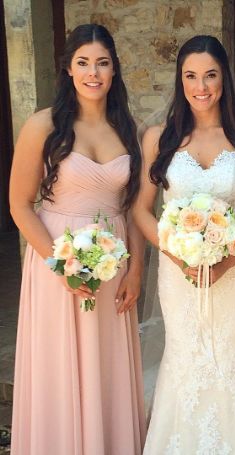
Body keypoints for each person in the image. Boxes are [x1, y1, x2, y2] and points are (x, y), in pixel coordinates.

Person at [133, 35, 235, 454]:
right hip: (178, 274)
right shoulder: (158, 138)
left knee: (230, 358)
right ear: (180, 80)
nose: (201, 86)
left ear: (224, 79)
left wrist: (229, 259)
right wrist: (175, 253)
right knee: (184, 359)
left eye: (210, 75)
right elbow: (142, 210)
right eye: (191, 76)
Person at [9, 24, 146, 455]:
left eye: (102, 63)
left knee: (106, 366)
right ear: (68, 69)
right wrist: (60, 266)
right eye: (83, 63)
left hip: (114, 264)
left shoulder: (129, 128)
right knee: (59, 367)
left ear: (114, 70)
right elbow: (19, 205)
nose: (93, 73)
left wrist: (137, 269)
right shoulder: (43, 125)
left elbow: (133, 207)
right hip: (57, 261)